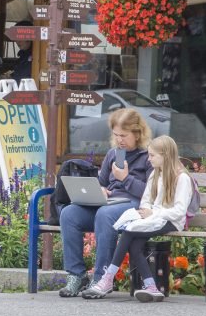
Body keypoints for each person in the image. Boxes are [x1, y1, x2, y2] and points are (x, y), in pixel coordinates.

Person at [81, 135, 193, 301]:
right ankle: (152, 288)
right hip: (152, 218)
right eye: (149, 155)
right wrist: (145, 211)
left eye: (152, 155)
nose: (149, 159)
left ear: (166, 156)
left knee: (128, 233)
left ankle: (107, 279)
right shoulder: (155, 174)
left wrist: (153, 213)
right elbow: (146, 200)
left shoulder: (182, 178)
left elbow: (179, 211)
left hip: (170, 221)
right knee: (134, 246)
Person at [58, 108, 153, 298]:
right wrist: (100, 190)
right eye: (116, 135)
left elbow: (150, 193)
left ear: (138, 134)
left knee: (104, 214)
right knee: (69, 213)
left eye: (124, 135)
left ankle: (101, 278)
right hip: (109, 203)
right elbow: (102, 182)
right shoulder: (112, 154)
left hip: (135, 205)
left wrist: (126, 179)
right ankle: (77, 275)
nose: (119, 140)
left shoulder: (148, 157)